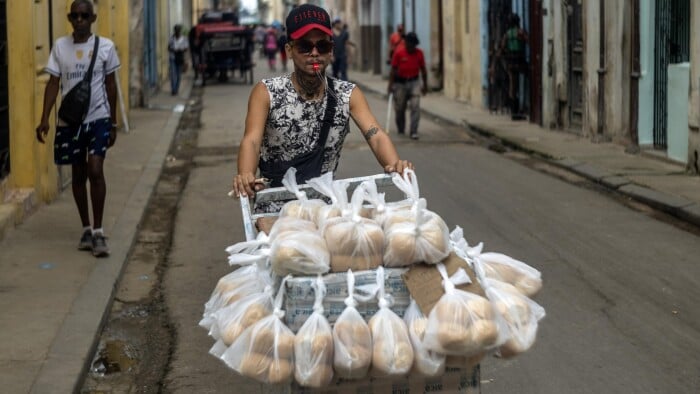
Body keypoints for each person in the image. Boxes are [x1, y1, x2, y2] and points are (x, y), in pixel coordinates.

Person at [232, 4, 413, 202]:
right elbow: (252, 140)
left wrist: (395, 165)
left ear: (331, 51)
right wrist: (246, 174)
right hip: (273, 207)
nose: (315, 53)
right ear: (289, 50)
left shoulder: (347, 94)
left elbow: (376, 135)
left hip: (324, 209)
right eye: (304, 46)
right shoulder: (266, 92)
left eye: (323, 46)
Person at [35, 0, 120, 257]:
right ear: (70, 19)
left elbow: (110, 85)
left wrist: (113, 122)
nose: (80, 20)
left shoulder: (106, 46)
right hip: (70, 122)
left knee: (95, 168)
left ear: (93, 19)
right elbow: (53, 83)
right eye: (75, 16)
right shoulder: (60, 47)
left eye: (85, 15)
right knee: (78, 173)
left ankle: (98, 231)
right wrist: (44, 119)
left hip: (99, 118)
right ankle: (85, 228)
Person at [387, 32, 428, 140]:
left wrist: (425, 85)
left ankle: (414, 131)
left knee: (415, 106)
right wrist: (390, 85)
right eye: (410, 44)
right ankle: (401, 127)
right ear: (406, 44)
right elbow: (393, 70)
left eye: (414, 45)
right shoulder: (399, 53)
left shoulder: (419, 54)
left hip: (414, 82)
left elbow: (423, 70)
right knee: (400, 107)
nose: (411, 47)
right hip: (400, 83)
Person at [497, 13, 528, 120]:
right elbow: (528, 41)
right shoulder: (520, 32)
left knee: (512, 86)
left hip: (510, 62)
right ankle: (523, 108)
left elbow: (501, 50)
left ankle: (514, 112)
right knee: (527, 79)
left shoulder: (507, 34)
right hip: (520, 60)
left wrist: (504, 62)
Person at [168, 24, 189, 95]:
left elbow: (186, 48)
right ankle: (173, 90)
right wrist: (174, 49)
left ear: (180, 31)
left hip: (180, 58)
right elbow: (168, 48)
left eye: (178, 30)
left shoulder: (184, 38)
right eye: (176, 30)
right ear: (174, 31)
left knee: (179, 75)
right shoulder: (171, 38)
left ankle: (176, 89)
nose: (177, 31)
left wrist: (181, 49)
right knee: (173, 75)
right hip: (173, 58)